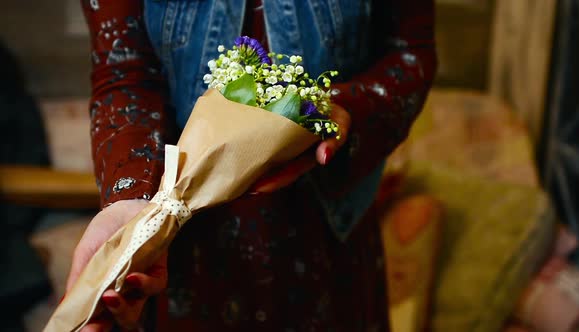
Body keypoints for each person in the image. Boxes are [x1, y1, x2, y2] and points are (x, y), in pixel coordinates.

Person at [67, 0, 437, 331]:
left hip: (326, 237)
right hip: (185, 243)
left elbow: (410, 54)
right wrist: (131, 202)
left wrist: (343, 109)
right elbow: (125, 73)